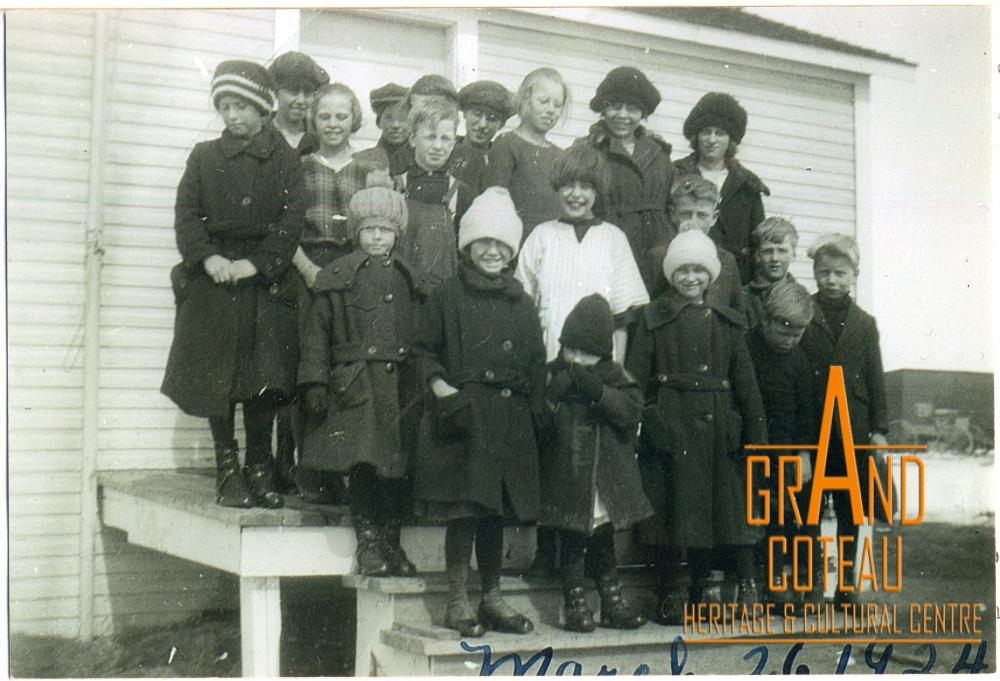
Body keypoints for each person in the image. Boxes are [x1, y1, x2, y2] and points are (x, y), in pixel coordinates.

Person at [161, 60, 305, 509]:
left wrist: (258, 264)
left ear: (263, 109)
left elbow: (292, 219)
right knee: (217, 378)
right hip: (216, 282)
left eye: (241, 105)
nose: (233, 115)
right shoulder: (203, 157)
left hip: (264, 284)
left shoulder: (285, 160)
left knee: (263, 378)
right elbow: (186, 216)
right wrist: (209, 257)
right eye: (225, 106)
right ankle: (229, 469)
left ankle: (259, 468)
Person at [413, 187, 545, 637]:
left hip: (508, 420)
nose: (492, 251)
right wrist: (442, 389)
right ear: (467, 247)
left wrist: (531, 411)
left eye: (501, 244)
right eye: (482, 242)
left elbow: (535, 361)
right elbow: (423, 351)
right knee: (465, 511)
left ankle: (492, 597)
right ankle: (457, 600)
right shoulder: (447, 295)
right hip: (465, 417)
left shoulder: (521, 301)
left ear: (511, 252)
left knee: (495, 513)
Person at [626, 229, 767, 624]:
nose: (691, 278)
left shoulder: (728, 323)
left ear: (712, 275)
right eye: (683, 270)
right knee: (671, 514)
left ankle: (731, 586)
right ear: (671, 273)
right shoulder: (653, 319)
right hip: (671, 429)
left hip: (720, 429)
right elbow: (634, 381)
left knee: (726, 511)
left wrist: (755, 439)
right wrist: (650, 420)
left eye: (699, 271)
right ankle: (670, 590)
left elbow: (748, 389)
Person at [298, 187, 424, 576]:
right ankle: (368, 542)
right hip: (357, 388)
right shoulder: (338, 276)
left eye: (384, 230)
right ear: (355, 232)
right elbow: (317, 333)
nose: (376, 237)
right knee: (365, 467)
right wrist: (315, 383)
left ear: (396, 233)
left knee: (398, 469)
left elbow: (422, 334)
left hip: (400, 387)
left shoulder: (410, 278)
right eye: (368, 230)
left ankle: (391, 540)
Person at [538, 294, 651, 632]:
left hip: (603, 479)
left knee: (602, 540)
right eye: (570, 350)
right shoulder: (552, 377)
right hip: (568, 477)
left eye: (586, 354)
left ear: (602, 354)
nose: (576, 360)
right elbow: (538, 426)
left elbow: (630, 412)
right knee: (571, 541)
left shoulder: (615, 378)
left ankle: (612, 603)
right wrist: (552, 398)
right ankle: (574, 603)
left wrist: (598, 392)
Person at [798, 233, 889, 606]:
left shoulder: (865, 324)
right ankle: (811, 585)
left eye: (839, 273)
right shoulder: (804, 313)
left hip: (851, 429)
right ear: (815, 273)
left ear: (854, 274)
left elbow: (875, 377)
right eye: (823, 272)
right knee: (809, 508)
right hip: (813, 427)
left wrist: (879, 430)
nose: (830, 280)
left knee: (852, 509)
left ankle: (846, 586)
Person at [744, 280, 822, 609]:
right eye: (784, 331)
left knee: (804, 515)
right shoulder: (745, 349)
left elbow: (809, 415)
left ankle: (810, 580)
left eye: (797, 333)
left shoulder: (801, 362)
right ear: (766, 320)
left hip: (791, 450)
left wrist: (804, 455)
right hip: (754, 447)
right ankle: (773, 583)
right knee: (768, 517)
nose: (790, 340)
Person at [582, 66, 674, 293]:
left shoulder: (660, 156)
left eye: (632, 109)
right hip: (605, 249)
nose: (623, 115)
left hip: (655, 254)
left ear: (643, 114)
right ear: (603, 109)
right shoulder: (587, 151)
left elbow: (672, 209)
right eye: (615, 106)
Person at [675, 92, 770, 285]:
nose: (712, 139)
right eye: (706, 132)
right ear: (696, 136)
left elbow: (757, 244)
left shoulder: (747, 185)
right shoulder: (675, 174)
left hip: (733, 280)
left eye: (720, 133)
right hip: (687, 275)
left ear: (731, 140)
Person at [394, 97, 473, 289]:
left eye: (445, 138)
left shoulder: (461, 191)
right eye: (430, 137)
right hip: (400, 288)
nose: (438, 146)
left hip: (443, 293)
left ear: (453, 143)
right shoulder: (395, 185)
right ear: (413, 139)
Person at [484, 67, 569, 240]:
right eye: (544, 101)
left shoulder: (561, 156)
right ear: (525, 100)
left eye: (557, 104)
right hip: (517, 243)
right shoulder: (507, 145)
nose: (551, 110)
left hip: (552, 246)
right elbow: (494, 205)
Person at [648, 175, 744, 313]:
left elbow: (736, 312)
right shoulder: (657, 257)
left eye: (702, 215)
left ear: (714, 218)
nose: (693, 223)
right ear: (673, 214)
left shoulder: (726, 260)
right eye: (685, 214)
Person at [451, 80, 514, 203]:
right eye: (477, 114)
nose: (482, 125)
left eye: (492, 118)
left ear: (501, 124)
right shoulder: (446, 149)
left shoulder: (501, 161)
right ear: (465, 114)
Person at [268, 51, 330, 155]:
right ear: (276, 91)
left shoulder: (321, 138)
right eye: (293, 91)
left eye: (308, 92)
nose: (301, 100)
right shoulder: (259, 133)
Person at [744, 217, 799, 329]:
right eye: (767, 251)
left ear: (793, 255)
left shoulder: (801, 297)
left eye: (782, 251)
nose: (775, 258)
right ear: (757, 255)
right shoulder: (743, 297)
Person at [352, 83, 410, 184]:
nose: (396, 125)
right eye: (389, 118)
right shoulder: (360, 162)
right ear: (379, 122)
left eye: (403, 118)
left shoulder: (425, 162)